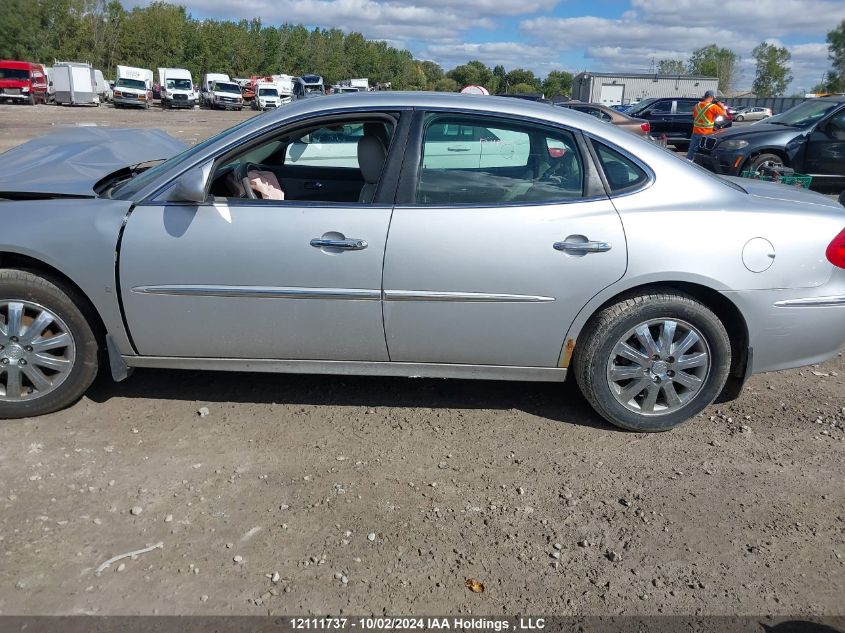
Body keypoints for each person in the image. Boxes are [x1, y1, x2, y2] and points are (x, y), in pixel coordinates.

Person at [686, 90, 726, 160]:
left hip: (695, 132)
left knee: (691, 150)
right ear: (711, 97)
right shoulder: (713, 107)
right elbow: (725, 114)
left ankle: (687, 163)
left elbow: (694, 116)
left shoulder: (697, 105)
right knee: (702, 152)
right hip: (706, 134)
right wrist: (721, 106)